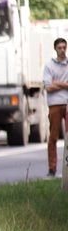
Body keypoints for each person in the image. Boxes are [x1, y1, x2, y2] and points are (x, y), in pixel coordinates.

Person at [43, 37, 68, 177]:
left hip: (67, 103)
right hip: (54, 104)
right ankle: (52, 168)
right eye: (60, 48)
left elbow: (53, 85)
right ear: (55, 49)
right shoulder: (49, 65)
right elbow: (48, 87)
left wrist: (58, 83)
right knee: (53, 137)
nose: (62, 50)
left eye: (64, 47)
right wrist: (64, 84)